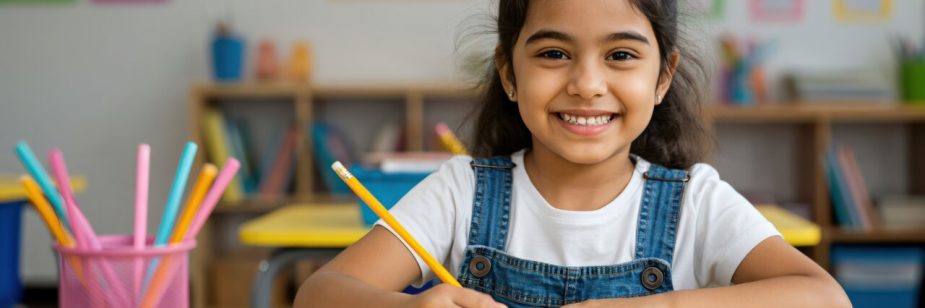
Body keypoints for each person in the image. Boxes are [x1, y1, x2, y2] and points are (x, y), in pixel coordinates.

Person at [296, 0, 850, 307]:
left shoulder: (695, 202)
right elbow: (319, 295)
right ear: (510, 74)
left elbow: (824, 299)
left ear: (663, 77)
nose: (587, 83)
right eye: (555, 53)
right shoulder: (462, 189)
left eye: (621, 55)